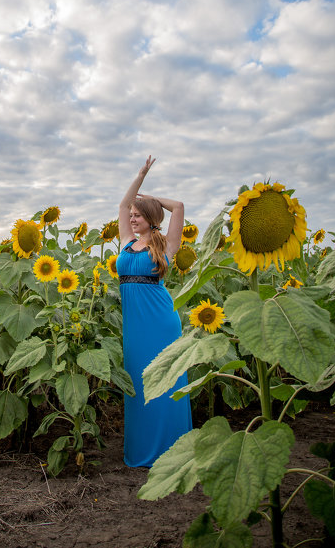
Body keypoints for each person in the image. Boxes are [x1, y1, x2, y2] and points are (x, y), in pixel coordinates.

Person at [116, 156, 193, 467]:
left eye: (138, 215)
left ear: (150, 218)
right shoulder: (125, 243)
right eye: (132, 215)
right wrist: (141, 177)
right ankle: (142, 451)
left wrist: (151, 200)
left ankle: (170, 453)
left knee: (167, 381)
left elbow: (179, 207)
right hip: (135, 328)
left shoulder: (165, 247)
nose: (132, 218)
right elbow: (122, 206)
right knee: (138, 385)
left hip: (161, 324)